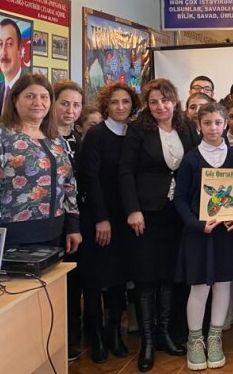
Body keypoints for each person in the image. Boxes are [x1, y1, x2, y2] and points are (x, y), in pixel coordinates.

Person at [118, 78, 200, 372]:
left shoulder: (186, 127)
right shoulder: (138, 129)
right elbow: (125, 171)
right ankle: (148, 342)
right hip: (146, 214)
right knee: (145, 277)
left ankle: (165, 334)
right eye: (153, 102)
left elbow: (197, 162)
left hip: (177, 214)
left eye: (165, 100)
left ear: (174, 101)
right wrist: (133, 210)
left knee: (168, 275)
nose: (160, 106)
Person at [175, 102, 233, 371]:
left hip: (225, 235)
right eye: (207, 123)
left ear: (225, 124)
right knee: (199, 287)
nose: (213, 128)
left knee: (222, 285)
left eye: (218, 122)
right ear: (199, 125)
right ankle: (195, 340)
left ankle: (215, 337)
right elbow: (180, 199)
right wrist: (196, 224)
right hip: (199, 234)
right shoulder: (191, 159)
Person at [0, 73, 81, 251]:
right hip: (13, 235)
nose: (38, 102)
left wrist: (73, 226)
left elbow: (68, 183)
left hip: (56, 231)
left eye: (44, 97)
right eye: (30, 96)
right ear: (15, 99)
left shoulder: (54, 137)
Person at [78, 82, 140, 363]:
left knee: (119, 278)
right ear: (106, 106)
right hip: (99, 216)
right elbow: (90, 178)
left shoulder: (135, 133)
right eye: (114, 102)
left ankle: (115, 332)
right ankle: (97, 337)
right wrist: (101, 218)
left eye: (125, 101)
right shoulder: (97, 134)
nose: (120, 107)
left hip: (126, 215)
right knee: (95, 279)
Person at [53, 80, 86, 362]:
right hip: (53, 220)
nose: (70, 110)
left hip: (78, 218)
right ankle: (56, 340)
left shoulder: (79, 138)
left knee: (74, 279)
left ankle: (72, 337)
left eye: (76, 105)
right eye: (64, 103)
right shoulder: (43, 138)